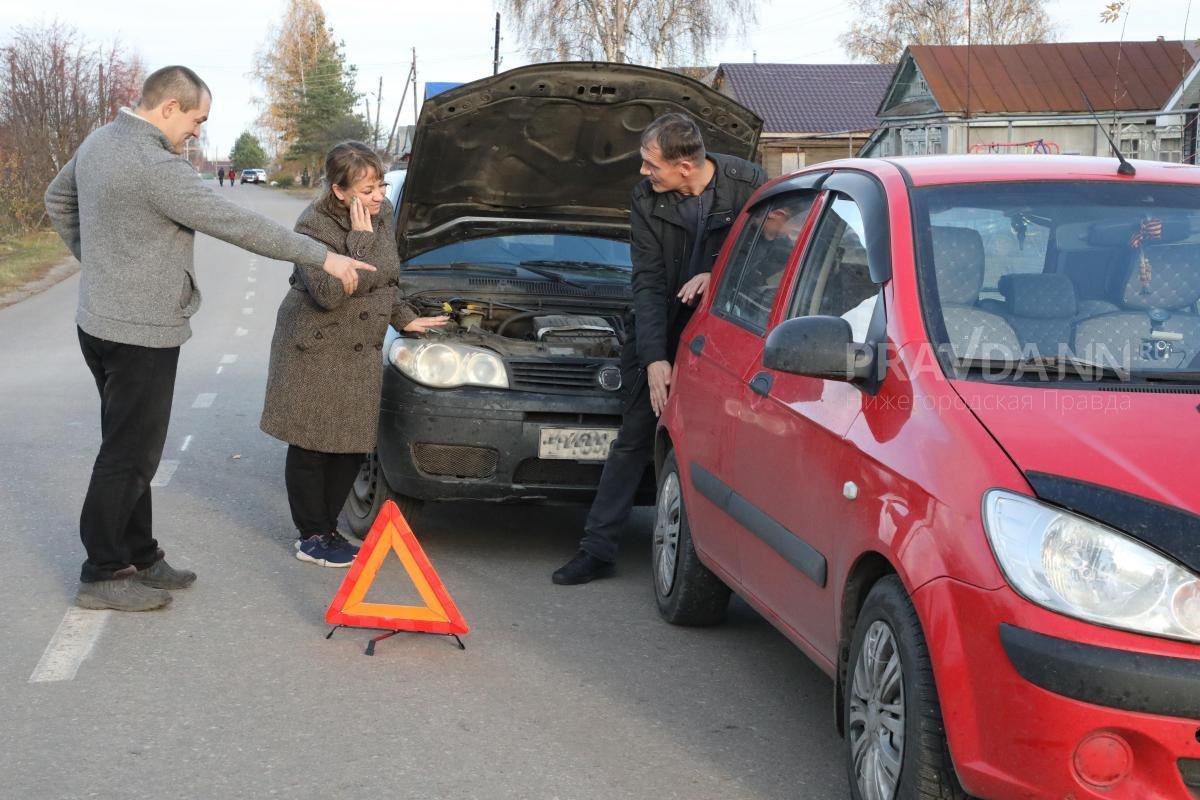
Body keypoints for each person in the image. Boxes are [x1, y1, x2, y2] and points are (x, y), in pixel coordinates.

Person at [44, 65, 375, 612]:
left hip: (99, 322)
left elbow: (59, 199)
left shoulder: (100, 140)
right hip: (140, 332)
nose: (197, 131)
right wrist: (326, 255)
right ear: (168, 107)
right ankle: (103, 571)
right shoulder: (155, 165)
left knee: (130, 448)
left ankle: (141, 554)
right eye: (197, 119)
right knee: (129, 455)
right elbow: (236, 223)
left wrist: (99, 266)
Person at [552, 112, 766, 585]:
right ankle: (597, 549)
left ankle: (721, 561)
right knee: (633, 438)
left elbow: (774, 256)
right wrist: (653, 359)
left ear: (686, 166)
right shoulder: (646, 199)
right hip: (660, 328)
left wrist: (720, 276)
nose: (644, 173)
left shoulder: (747, 184)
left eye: (651, 164)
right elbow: (647, 281)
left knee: (718, 444)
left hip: (725, 339)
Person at [260, 142, 449, 567]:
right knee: (312, 443)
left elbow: (387, 280)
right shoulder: (312, 225)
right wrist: (359, 243)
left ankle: (328, 530)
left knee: (349, 444)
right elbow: (328, 293)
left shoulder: (381, 216)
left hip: (357, 347)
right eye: (367, 190)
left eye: (380, 185)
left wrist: (404, 319)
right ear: (339, 191)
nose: (379, 196)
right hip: (315, 345)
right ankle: (312, 535)